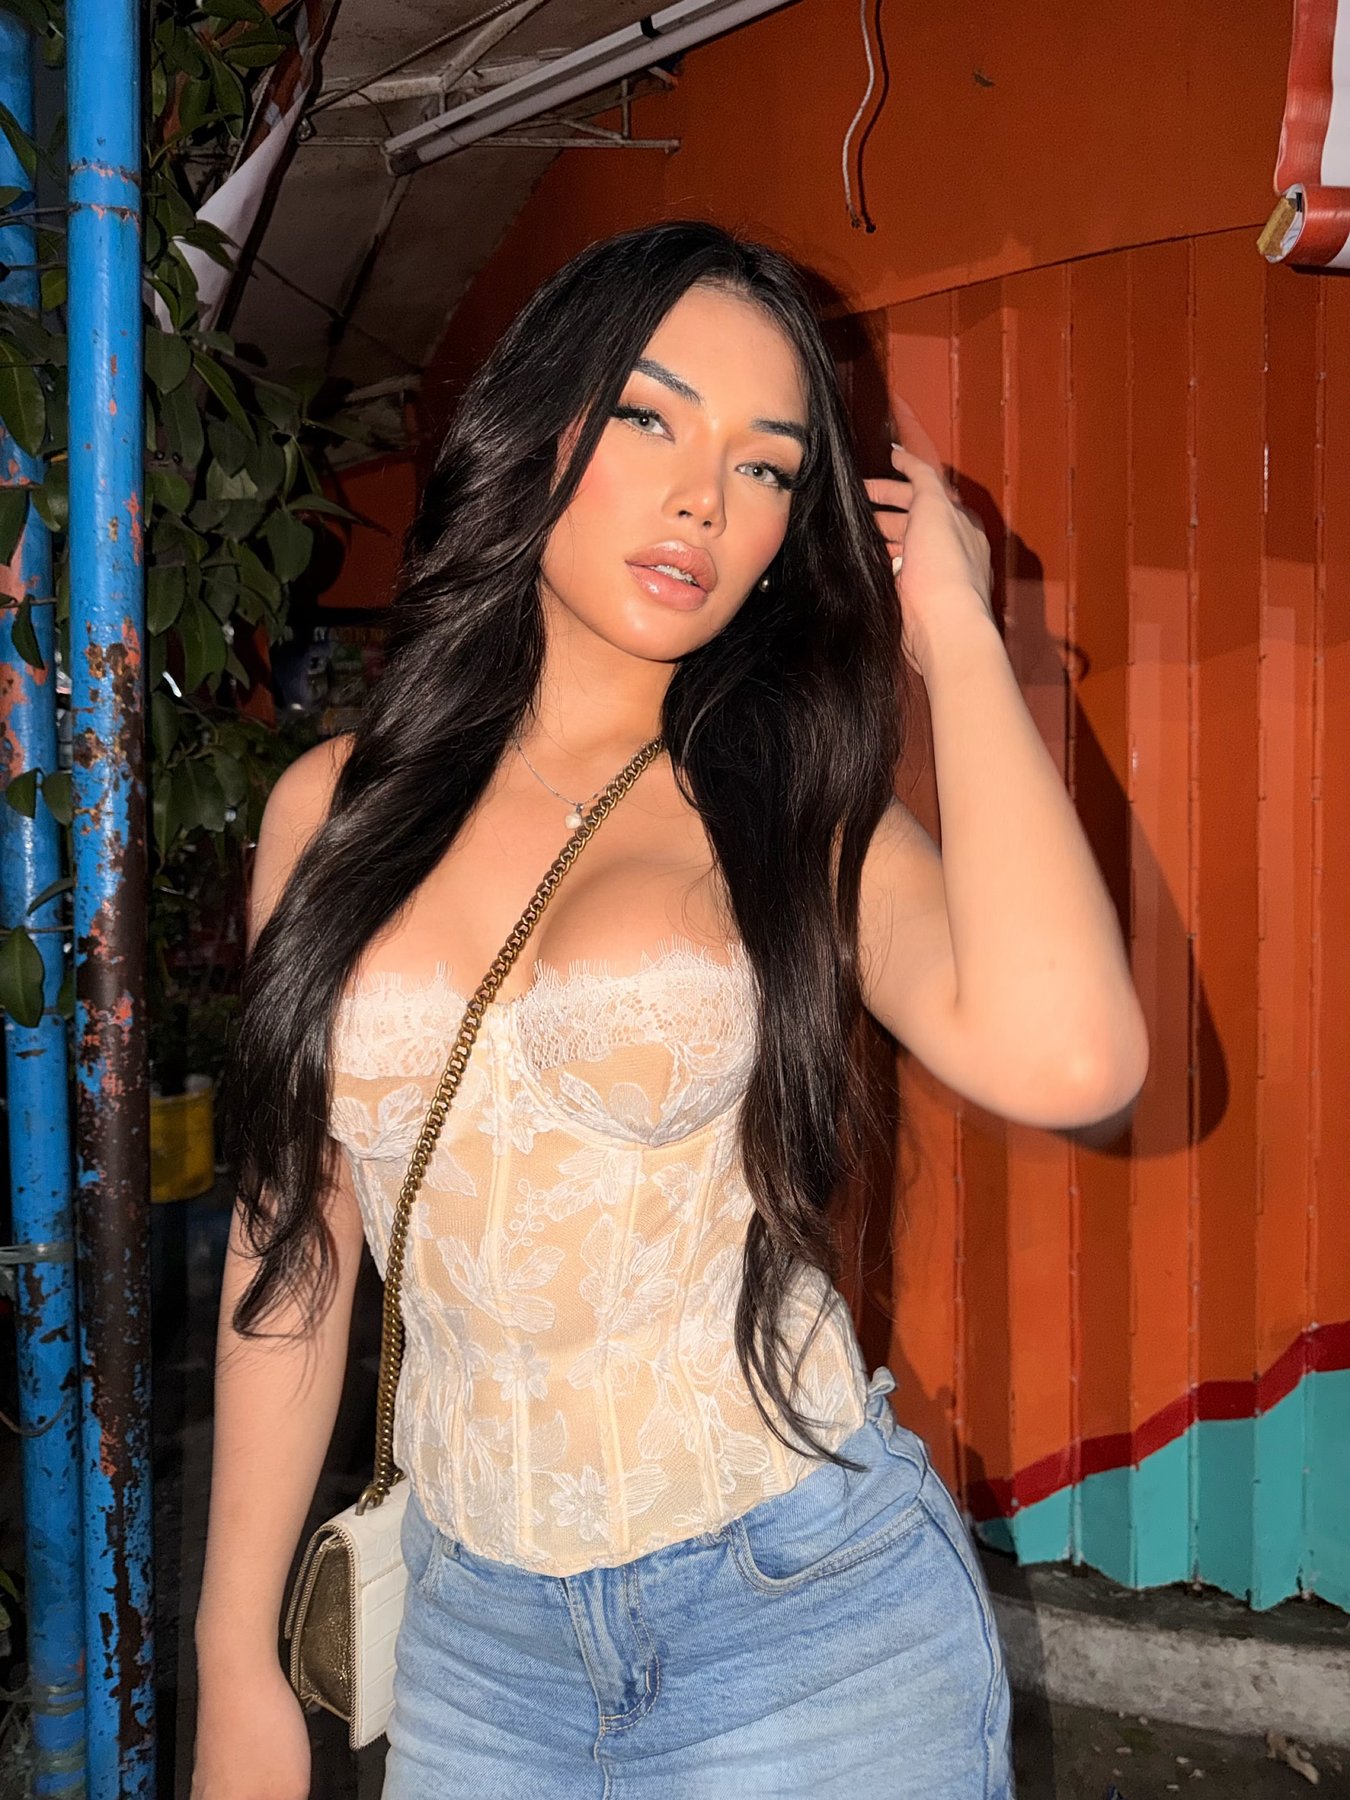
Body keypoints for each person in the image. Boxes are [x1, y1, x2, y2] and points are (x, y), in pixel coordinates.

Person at [190, 220, 1148, 1800]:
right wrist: (236, 1655)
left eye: (767, 467)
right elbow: (293, 1239)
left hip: (798, 1624)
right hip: (475, 1645)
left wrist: (962, 642)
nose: (706, 498)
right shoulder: (331, 812)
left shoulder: (786, 816)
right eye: (650, 418)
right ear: (537, 426)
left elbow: (1071, 1055)